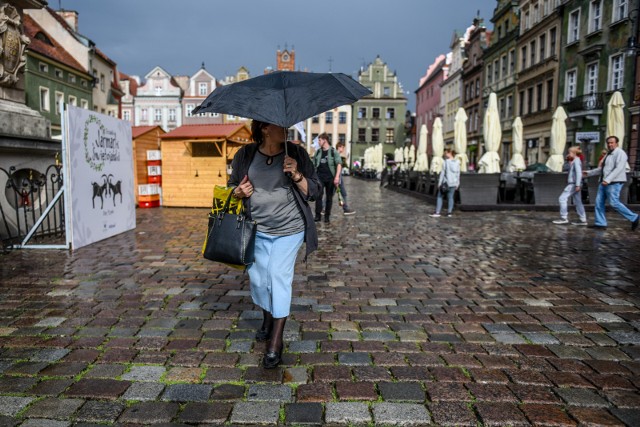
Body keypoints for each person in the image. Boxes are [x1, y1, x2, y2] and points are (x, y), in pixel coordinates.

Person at [228, 120, 321, 369]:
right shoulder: (245, 154)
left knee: (278, 275)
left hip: (290, 229)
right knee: (259, 280)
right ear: (265, 129)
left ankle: (276, 341)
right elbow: (231, 186)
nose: (287, 128)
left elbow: (314, 190)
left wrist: (297, 174)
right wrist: (237, 192)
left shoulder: (297, 153)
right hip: (256, 228)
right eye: (280, 125)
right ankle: (267, 317)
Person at [584, 135, 639, 230]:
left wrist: (608, 179)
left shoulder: (620, 153)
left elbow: (619, 168)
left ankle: (634, 217)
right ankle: (600, 223)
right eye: (608, 143)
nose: (610, 144)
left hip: (614, 182)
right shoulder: (608, 154)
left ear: (616, 143)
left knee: (614, 203)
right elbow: (602, 169)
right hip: (604, 182)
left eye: (612, 142)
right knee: (599, 203)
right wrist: (588, 173)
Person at [553, 146, 587, 226]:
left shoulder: (576, 161)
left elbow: (579, 173)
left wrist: (577, 184)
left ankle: (563, 217)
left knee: (562, 198)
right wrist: (569, 161)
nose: (568, 154)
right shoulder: (575, 161)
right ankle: (583, 219)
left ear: (573, 153)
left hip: (573, 184)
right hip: (575, 183)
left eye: (569, 152)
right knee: (578, 201)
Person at [312, 133, 342, 223]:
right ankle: (317, 216)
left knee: (329, 198)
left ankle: (327, 216)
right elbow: (313, 165)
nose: (318, 142)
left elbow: (339, 164)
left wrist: (337, 177)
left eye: (320, 140)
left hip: (330, 178)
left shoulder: (333, 151)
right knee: (318, 197)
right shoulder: (318, 152)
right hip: (319, 177)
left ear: (325, 140)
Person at [430, 148, 460, 218]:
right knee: (451, 197)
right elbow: (458, 174)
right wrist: (457, 183)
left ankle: (437, 212)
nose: (445, 154)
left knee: (440, 196)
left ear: (450, 153)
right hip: (453, 183)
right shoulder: (457, 162)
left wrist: (439, 183)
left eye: (446, 153)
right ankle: (449, 213)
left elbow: (442, 173)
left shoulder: (446, 162)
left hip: (446, 183)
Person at [335, 141, 355, 215]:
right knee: (342, 194)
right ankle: (346, 209)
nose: (343, 149)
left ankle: (345, 208)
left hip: (338, 178)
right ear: (339, 147)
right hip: (337, 178)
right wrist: (337, 178)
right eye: (342, 147)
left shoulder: (337, 155)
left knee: (341, 194)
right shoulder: (336, 155)